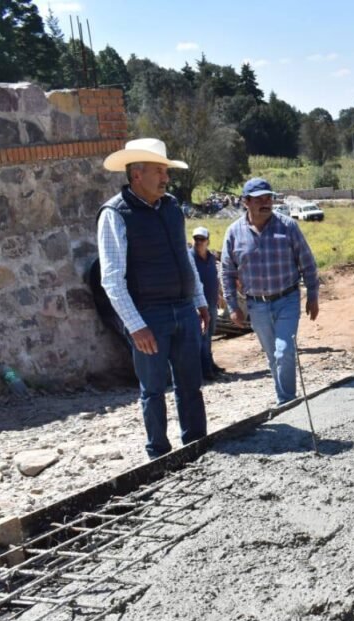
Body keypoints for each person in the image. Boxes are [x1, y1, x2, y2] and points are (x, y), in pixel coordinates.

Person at [97, 138, 210, 459]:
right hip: (148, 316)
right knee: (153, 391)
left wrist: (199, 298)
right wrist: (135, 325)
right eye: (159, 171)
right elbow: (111, 279)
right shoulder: (114, 214)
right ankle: (158, 454)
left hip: (184, 309)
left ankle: (196, 446)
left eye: (166, 171)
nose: (166, 178)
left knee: (191, 384)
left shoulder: (172, 207)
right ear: (137, 175)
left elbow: (186, 257)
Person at [222, 178, 320, 405]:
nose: (266, 203)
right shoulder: (234, 233)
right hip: (256, 305)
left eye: (269, 198)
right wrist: (233, 307)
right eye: (259, 199)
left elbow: (307, 263)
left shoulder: (288, 227)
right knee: (272, 355)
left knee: (283, 351)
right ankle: (284, 396)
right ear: (246, 202)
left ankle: (286, 401)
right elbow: (227, 272)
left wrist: (313, 296)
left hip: (287, 299)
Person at [189, 226, 225, 380]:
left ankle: (210, 364)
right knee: (201, 337)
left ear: (208, 241)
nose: (198, 242)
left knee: (209, 334)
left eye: (201, 239)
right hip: (198, 304)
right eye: (196, 239)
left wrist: (219, 295)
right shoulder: (189, 258)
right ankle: (205, 370)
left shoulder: (210, 257)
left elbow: (214, 277)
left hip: (211, 301)